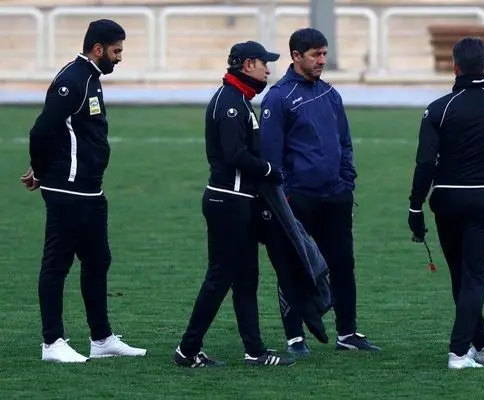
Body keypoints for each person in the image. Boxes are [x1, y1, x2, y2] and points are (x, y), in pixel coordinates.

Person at [19, 19, 147, 363]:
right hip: (68, 190)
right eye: (116, 51)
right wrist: (41, 171)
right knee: (57, 264)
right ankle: (52, 342)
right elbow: (41, 131)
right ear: (98, 48)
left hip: (90, 190)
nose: (120, 57)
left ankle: (101, 339)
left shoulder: (91, 78)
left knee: (98, 260)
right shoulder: (72, 81)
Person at [407, 37, 484, 369]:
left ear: (455, 67)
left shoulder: (438, 108)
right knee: (474, 278)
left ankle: (481, 345)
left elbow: (424, 163)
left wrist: (415, 207)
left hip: (446, 198)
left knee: (461, 277)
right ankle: (458, 353)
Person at [173, 40, 295, 368]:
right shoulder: (231, 102)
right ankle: (187, 350)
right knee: (219, 278)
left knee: (245, 279)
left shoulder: (238, 99)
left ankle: (255, 351)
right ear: (247, 64)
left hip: (237, 201)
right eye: (264, 63)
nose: (268, 70)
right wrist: (268, 170)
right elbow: (234, 154)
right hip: (228, 201)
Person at [259, 27, 380, 356]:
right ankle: (294, 337)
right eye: (316, 55)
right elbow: (271, 156)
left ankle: (347, 333)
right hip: (298, 199)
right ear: (296, 56)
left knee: (343, 264)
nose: (322, 60)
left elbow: (345, 142)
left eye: (324, 54)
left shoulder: (330, 94)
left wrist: (347, 183)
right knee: (294, 265)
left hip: (335, 196)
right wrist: (285, 196)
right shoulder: (279, 98)